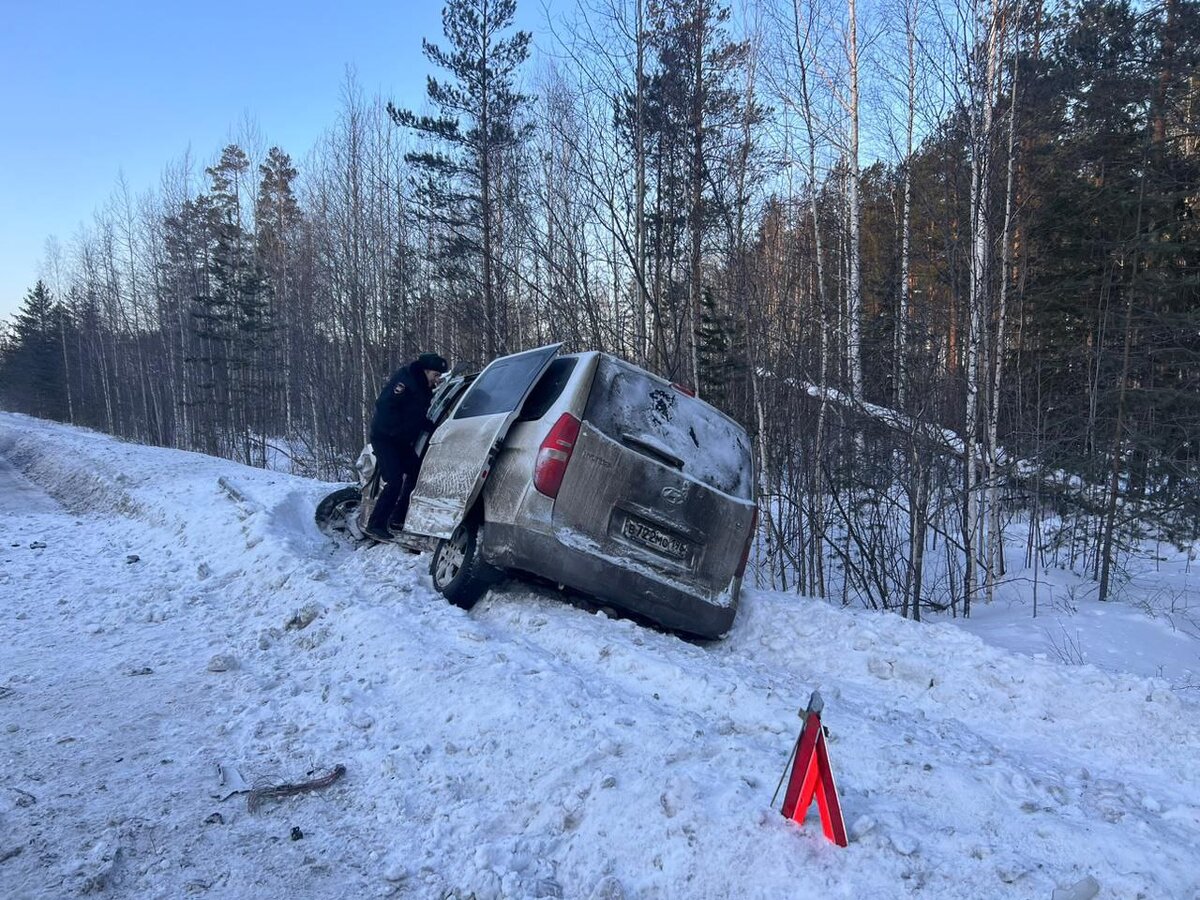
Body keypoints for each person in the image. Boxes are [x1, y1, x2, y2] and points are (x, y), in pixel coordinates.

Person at [364, 351, 450, 541]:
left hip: (401, 440)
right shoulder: (405, 382)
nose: (437, 380)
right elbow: (384, 406)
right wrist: (397, 430)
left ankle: (398, 517)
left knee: (416, 472)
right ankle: (375, 524)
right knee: (394, 481)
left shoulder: (423, 386)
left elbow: (416, 414)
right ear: (426, 371)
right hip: (386, 438)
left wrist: (431, 427)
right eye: (435, 375)